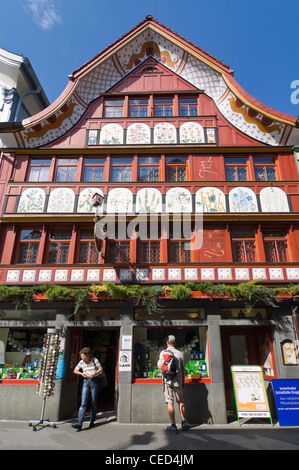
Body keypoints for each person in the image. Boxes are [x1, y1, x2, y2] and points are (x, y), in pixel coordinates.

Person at [157, 335, 189, 433]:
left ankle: (173, 425)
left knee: (170, 402)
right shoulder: (180, 353)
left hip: (167, 381)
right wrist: (183, 382)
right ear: (175, 343)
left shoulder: (163, 353)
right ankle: (184, 422)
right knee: (181, 401)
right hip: (178, 381)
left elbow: (159, 367)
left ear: (167, 342)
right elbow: (183, 370)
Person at [72, 347, 103, 431]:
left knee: (93, 402)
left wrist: (94, 373)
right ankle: (79, 423)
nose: (82, 358)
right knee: (83, 402)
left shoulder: (94, 360)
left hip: (94, 381)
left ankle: (92, 420)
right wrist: (81, 374)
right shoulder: (81, 362)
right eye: (81, 356)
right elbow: (75, 370)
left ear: (88, 355)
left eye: (83, 356)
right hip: (86, 381)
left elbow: (101, 369)